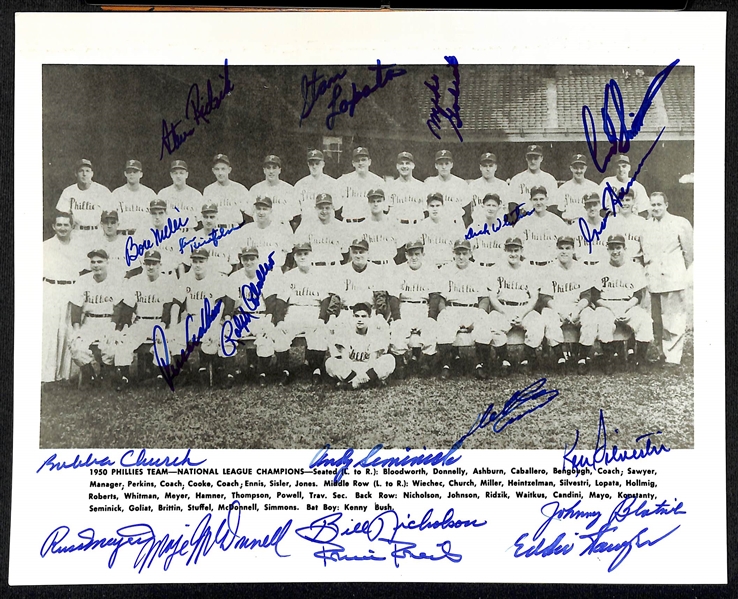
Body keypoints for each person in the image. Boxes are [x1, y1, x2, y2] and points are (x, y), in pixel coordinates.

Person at [641, 192, 693, 368]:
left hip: (673, 278)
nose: (655, 208)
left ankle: (673, 357)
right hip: (654, 279)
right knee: (657, 319)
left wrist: (681, 274)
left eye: (659, 204)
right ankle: (662, 353)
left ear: (666, 205)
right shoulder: (646, 227)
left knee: (673, 318)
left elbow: (689, 253)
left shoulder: (680, 223)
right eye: (652, 205)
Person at [114, 250, 178, 389]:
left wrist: (162, 324)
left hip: (159, 322)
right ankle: (125, 377)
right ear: (143, 264)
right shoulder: (135, 281)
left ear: (160, 265)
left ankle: (161, 375)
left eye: (154, 263)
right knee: (124, 340)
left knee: (162, 340)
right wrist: (124, 326)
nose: (150, 267)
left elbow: (167, 307)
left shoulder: (166, 281)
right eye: (147, 263)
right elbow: (128, 307)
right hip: (141, 322)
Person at [592, 234, 654, 373]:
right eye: (612, 248)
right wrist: (612, 308)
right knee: (604, 322)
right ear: (607, 250)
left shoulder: (634, 267)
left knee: (645, 321)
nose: (615, 252)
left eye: (618, 247)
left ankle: (641, 360)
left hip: (628, 304)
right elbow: (595, 297)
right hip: (606, 305)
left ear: (625, 248)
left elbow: (638, 295)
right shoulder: (599, 267)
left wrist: (625, 307)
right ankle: (609, 360)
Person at [272, 242, 331, 385]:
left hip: (313, 310)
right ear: (294, 257)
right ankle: (284, 371)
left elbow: (325, 300)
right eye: (299, 254)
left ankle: (316, 369)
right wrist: (280, 321)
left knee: (319, 331)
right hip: (294, 311)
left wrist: (321, 319)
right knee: (281, 333)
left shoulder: (320, 274)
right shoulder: (288, 276)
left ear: (312, 255)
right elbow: (280, 301)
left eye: (306, 254)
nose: (303, 257)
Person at [221, 247, 280, 387]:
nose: (249, 262)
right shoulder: (235, 277)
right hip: (241, 317)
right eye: (245, 259)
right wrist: (228, 319)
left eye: (252, 258)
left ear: (258, 259)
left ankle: (262, 373)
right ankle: (230, 373)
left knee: (265, 337)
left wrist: (268, 320)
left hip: (260, 316)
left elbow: (271, 302)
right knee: (227, 334)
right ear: (241, 260)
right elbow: (229, 302)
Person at [436, 239, 493, 379]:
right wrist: (443, 311)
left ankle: (480, 364)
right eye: (458, 253)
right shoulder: (445, 270)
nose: (461, 256)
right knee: (443, 320)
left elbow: (484, 298)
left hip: (472, 308)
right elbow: (441, 298)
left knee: (484, 322)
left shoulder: (478, 270)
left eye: (464, 253)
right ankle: (446, 364)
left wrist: (480, 312)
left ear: (470, 253)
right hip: (452, 308)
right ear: (453, 253)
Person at [171, 248, 230, 385]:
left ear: (207, 262)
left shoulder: (215, 278)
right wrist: (174, 324)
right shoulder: (185, 278)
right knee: (174, 339)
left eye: (201, 261)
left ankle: (217, 370)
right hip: (191, 319)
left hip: (210, 319)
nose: (197, 265)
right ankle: (186, 371)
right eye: (195, 261)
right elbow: (176, 304)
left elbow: (220, 305)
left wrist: (214, 325)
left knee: (214, 339)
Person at [540, 236, 597, 373]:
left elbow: (587, 295)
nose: (564, 251)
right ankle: (560, 358)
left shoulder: (581, 268)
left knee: (591, 318)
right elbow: (545, 297)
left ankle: (582, 358)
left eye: (568, 248)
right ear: (556, 250)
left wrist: (578, 309)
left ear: (573, 250)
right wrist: (559, 311)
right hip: (556, 307)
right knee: (548, 317)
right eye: (561, 248)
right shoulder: (549, 269)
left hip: (577, 306)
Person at [488, 237, 545, 375]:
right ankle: (504, 359)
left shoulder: (529, 269)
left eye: (516, 250)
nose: (513, 254)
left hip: (524, 308)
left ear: (521, 251)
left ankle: (526, 358)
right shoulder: (496, 268)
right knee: (492, 323)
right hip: (503, 308)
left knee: (537, 323)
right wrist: (505, 312)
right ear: (504, 251)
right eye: (509, 250)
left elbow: (534, 297)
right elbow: (492, 296)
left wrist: (523, 313)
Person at [68, 249, 124, 386]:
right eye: (93, 262)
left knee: (111, 347)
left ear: (107, 262)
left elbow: (119, 307)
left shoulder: (115, 280)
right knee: (76, 346)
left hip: (108, 321)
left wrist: (113, 327)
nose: (96, 265)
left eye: (100, 262)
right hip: (89, 322)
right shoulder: (83, 281)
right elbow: (76, 307)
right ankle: (89, 373)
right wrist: (76, 329)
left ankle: (107, 371)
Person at [42, 212, 87, 384]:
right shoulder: (45, 246)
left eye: (66, 225)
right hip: (51, 289)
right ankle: (47, 375)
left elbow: (82, 271)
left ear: (72, 226)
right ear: (53, 226)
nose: (62, 228)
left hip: (72, 289)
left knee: (68, 331)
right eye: (59, 224)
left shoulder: (78, 247)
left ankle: (65, 375)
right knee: (51, 332)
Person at [388, 239, 442, 377]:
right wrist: (397, 318)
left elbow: (434, 296)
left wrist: (431, 317)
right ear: (406, 255)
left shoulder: (431, 269)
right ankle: (400, 364)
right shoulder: (398, 270)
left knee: (430, 328)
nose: (414, 257)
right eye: (411, 254)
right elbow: (394, 297)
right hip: (405, 306)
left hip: (423, 307)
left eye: (417, 254)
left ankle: (426, 362)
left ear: (423, 254)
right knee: (398, 329)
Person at [328, 239, 391, 334]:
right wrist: (332, 316)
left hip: (369, 313)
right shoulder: (341, 270)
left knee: (381, 331)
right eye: (355, 252)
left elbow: (380, 296)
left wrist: (380, 316)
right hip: (348, 312)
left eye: (361, 252)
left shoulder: (377, 270)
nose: (358, 255)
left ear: (368, 253)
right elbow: (336, 297)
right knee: (337, 337)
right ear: (350, 253)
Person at [326, 302, 396, 389]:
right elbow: (345, 359)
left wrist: (364, 375)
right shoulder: (346, 331)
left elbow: (372, 360)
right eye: (357, 316)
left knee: (389, 359)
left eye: (363, 316)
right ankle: (369, 383)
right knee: (330, 362)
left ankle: (352, 385)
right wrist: (356, 375)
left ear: (370, 318)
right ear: (353, 317)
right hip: (351, 369)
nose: (360, 319)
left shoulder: (374, 333)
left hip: (368, 369)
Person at [55, 158, 112, 242]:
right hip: (76, 234)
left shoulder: (102, 191)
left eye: (87, 171)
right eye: (81, 171)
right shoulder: (68, 191)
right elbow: (62, 216)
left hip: (96, 233)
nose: (84, 174)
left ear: (92, 173)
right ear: (75, 174)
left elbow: (110, 216)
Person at [232, 196, 293, 271]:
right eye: (258, 209)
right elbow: (239, 255)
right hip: (253, 272)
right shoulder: (246, 229)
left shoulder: (281, 230)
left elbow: (289, 255)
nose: (261, 212)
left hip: (273, 272)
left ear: (271, 210)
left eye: (265, 209)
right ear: (254, 210)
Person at [347, 188, 403, 268]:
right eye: (372, 201)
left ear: (384, 202)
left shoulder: (393, 224)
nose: (376, 204)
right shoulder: (361, 227)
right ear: (368, 203)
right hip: (370, 266)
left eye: (379, 201)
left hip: (389, 265)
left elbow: (401, 249)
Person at [293, 193, 351, 268]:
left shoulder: (340, 227)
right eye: (321, 208)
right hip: (313, 267)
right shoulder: (306, 226)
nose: (324, 211)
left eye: (327, 208)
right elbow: (299, 250)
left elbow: (345, 252)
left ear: (332, 208)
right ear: (315, 208)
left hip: (334, 267)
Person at [516, 186, 568, 268]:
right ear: (530, 201)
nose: (538, 202)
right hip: (530, 266)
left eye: (541, 199)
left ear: (547, 199)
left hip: (551, 266)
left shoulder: (557, 221)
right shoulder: (523, 223)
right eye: (535, 199)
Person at [413, 193, 465, 268]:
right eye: (432, 206)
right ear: (427, 207)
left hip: (447, 265)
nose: (435, 209)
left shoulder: (451, 225)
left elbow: (457, 248)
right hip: (428, 266)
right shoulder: (421, 226)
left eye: (438, 205)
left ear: (443, 206)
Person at [249, 155, 300, 230]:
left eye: (274, 168)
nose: (271, 171)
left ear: (279, 170)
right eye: (268, 167)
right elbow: (250, 214)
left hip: (282, 229)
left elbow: (295, 217)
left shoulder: (289, 190)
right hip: (261, 230)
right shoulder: (255, 189)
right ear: (264, 170)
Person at [508, 145, 559, 217]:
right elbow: (512, 205)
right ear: (526, 158)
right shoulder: (517, 179)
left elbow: (553, 206)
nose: (532, 161)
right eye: (530, 158)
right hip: (523, 219)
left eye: (536, 158)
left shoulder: (549, 179)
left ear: (541, 158)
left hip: (543, 220)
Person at [336, 147, 384, 224]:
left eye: (363, 160)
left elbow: (383, 208)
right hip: (348, 223)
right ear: (353, 163)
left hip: (368, 224)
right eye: (357, 160)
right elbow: (335, 205)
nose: (360, 163)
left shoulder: (378, 182)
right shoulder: (343, 180)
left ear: (369, 162)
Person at [424, 149, 472, 226]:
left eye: (447, 163)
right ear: (436, 165)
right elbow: (425, 210)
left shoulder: (461, 183)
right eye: (441, 164)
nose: (444, 167)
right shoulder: (429, 183)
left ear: (451, 165)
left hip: (455, 224)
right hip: (435, 225)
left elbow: (467, 212)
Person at [293, 149, 340, 226]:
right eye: (311, 164)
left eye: (317, 163)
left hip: (327, 227)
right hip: (307, 226)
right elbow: (296, 212)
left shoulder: (333, 183)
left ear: (323, 164)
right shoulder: (300, 185)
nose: (314, 166)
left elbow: (337, 208)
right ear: (308, 165)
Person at [203, 153, 250, 229]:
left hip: (233, 230)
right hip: (215, 230)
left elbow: (250, 212)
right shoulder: (208, 190)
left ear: (229, 170)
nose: (220, 173)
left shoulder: (239, 189)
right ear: (213, 171)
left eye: (223, 169)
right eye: (217, 169)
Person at [111, 159, 157, 235]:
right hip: (122, 236)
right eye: (129, 172)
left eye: (135, 172)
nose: (131, 174)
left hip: (144, 236)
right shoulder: (117, 193)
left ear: (141, 174)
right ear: (125, 173)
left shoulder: (150, 194)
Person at [158, 159, 203, 234]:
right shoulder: (163, 193)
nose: (178, 176)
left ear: (186, 175)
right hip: (169, 233)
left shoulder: (195, 194)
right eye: (175, 173)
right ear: (171, 175)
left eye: (181, 173)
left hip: (189, 233)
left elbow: (201, 219)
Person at [554, 154, 601, 223]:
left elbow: (599, 210)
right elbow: (559, 212)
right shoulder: (563, 188)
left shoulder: (594, 187)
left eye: (581, 168)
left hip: (588, 225)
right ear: (571, 168)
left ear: (585, 168)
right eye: (575, 168)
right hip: (570, 225)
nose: (579, 171)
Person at [84, 210, 129, 279]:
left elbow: (134, 269)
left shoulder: (126, 244)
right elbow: (88, 268)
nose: (109, 226)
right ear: (101, 224)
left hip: (121, 282)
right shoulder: (94, 244)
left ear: (118, 224)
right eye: (106, 223)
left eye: (113, 223)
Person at [386, 151, 427, 228]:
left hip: (416, 226)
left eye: (407, 163)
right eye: (401, 163)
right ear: (397, 166)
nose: (404, 166)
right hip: (397, 226)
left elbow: (425, 210)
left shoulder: (421, 186)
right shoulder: (390, 186)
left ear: (413, 166)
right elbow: (387, 210)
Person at [468, 152, 510, 223]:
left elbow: (506, 210)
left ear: (495, 167)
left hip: (497, 226)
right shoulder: (473, 185)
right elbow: (469, 211)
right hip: (478, 226)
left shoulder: (503, 186)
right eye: (485, 166)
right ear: (480, 167)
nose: (488, 169)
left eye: (490, 166)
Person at [570, 192, 609, 267]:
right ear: (585, 207)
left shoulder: (608, 225)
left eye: (595, 205)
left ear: (600, 205)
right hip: (582, 266)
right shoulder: (575, 227)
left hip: (603, 267)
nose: (592, 208)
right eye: (589, 206)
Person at [467, 193, 506, 268]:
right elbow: (468, 252)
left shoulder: (505, 229)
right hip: (479, 267)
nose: (490, 208)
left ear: (499, 208)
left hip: (498, 268)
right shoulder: (474, 227)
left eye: (494, 206)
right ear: (482, 206)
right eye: (488, 205)